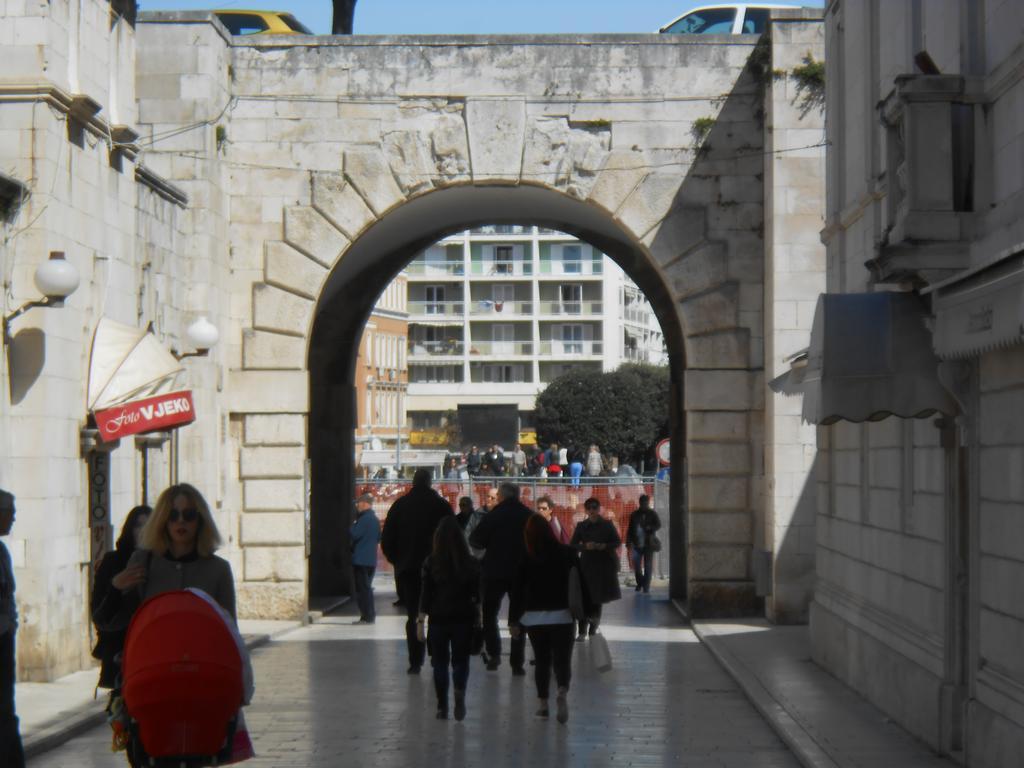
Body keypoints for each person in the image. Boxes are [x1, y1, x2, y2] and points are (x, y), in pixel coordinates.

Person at [104, 484, 237, 621]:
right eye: (173, 515)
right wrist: (115, 588)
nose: (181, 521)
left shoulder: (219, 569)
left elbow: (229, 632)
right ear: (163, 520)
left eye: (189, 515)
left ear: (200, 519)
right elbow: (112, 621)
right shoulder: (142, 561)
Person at [381, 469, 453, 673]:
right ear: (430, 482)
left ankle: (415, 661)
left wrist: (399, 561)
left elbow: (387, 540)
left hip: (409, 569)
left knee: (413, 615)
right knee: (437, 614)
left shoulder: (400, 506)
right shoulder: (441, 506)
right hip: (438, 569)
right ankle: (436, 655)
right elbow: (453, 537)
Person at [510, 515, 579, 724]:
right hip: (563, 614)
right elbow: (580, 583)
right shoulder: (567, 554)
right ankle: (562, 690)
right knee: (563, 658)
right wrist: (589, 611)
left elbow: (517, 591)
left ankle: (542, 705)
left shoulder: (525, 556)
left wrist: (514, 620)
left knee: (541, 660)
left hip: (534, 617)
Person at [417, 516, 482, 721]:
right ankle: (459, 691)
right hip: (464, 617)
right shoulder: (471, 563)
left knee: (439, 662)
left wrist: (420, 622)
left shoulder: (431, 562)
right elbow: (477, 595)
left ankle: (441, 705)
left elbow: (425, 594)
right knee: (461, 660)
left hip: (438, 618)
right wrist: (479, 617)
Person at [468, 482, 532, 674]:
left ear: (502, 497)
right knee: (520, 615)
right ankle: (517, 662)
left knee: (489, 613)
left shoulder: (493, 516)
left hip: (494, 571)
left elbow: (475, 540)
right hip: (521, 571)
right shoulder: (528, 515)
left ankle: (494, 653)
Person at [90, 504, 152, 689]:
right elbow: (99, 613)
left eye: (149, 526)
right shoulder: (112, 562)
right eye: (138, 525)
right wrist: (116, 586)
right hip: (120, 652)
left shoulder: (162, 563)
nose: (143, 531)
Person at [569, 497, 621, 640]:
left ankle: (593, 628)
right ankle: (582, 631)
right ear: (586, 510)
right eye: (589, 508)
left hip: (603, 565)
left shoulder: (607, 525)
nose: (592, 511)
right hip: (586, 566)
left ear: (599, 509)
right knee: (584, 598)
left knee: (598, 597)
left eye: (594, 508)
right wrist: (585, 546)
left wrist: (604, 546)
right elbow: (573, 545)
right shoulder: (581, 526)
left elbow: (616, 541)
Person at [0, 489, 25, 768]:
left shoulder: (2, 552)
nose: (14, 518)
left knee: (6, 710)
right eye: (10, 511)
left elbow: (9, 594)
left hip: (4, 639)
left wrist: (11, 625)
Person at [350, 493, 380, 624]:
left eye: (358, 503)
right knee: (367, 588)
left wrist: (352, 524)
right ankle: (369, 615)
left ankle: (367, 616)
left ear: (365, 504)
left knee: (362, 590)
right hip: (371, 560)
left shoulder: (363, 519)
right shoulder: (374, 519)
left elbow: (354, 534)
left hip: (361, 559)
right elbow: (379, 537)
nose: (357, 506)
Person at [626, 495, 662, 594]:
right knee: (636, 566)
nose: (644, 505)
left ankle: (646, 586)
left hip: (648, 544)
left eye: (646, 503)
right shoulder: (634, 515)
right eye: (642, 503)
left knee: (648, 565)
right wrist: (628, 541)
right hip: (636, 543)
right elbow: (630, 529)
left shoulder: (652, 514)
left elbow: (658, 524)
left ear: (648, 503)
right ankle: (640, 583)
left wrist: (650, 528)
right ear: (640, 503)